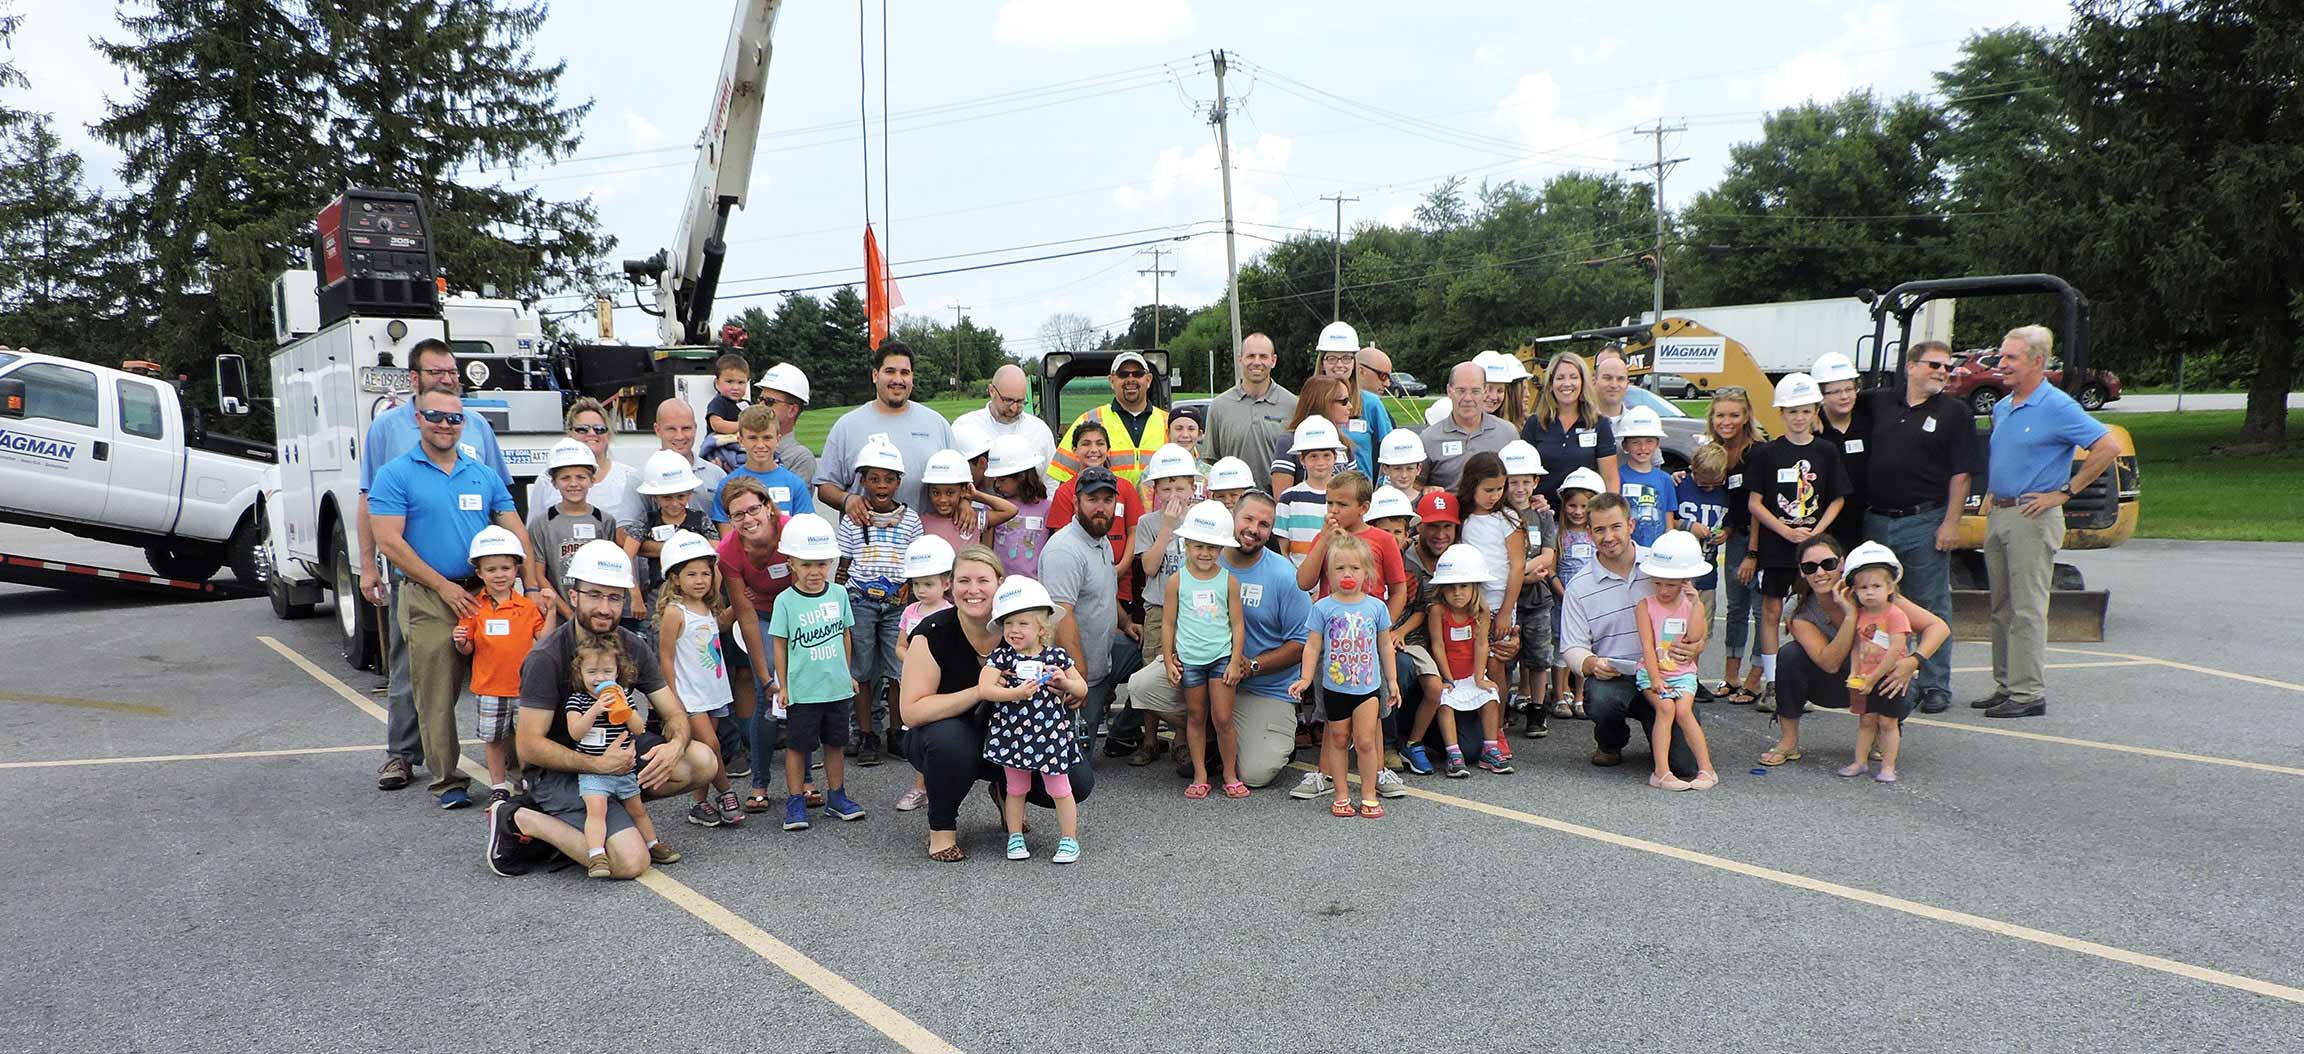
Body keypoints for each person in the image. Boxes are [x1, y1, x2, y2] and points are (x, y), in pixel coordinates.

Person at [485, 541, 727, 880]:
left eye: (614, 597)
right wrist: (596, 765)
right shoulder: (547, 657)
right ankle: (518, 818)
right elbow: (529, 748)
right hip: (558, 770)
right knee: (630, 863)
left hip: (615, 758)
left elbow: (673, 713)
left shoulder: (631, 644)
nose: (604, 607)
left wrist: (673, 747)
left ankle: (604, 815)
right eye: (595, 595)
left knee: (700, 760)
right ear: (574, 596)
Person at [359, 339, 519, 794]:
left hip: (485, 587)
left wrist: (529, 576)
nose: (447, 378)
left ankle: (513, 773)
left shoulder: (478, 436)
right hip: (425, 590)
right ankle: (416, 762)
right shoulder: (388, 436)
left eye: (452, 372)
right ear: (415, 383)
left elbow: (504, 511)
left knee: (505, 678)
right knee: (424, 681)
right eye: (436, 372)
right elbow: (372, 507)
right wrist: (367, 564)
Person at [900, 545, 1098, 862]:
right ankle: (941, 829)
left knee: (1077, 781)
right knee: (951, 742)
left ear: (1000, 584)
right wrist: (980, 691)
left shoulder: (1025, 625)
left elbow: (1067, 679)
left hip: (1016, 735)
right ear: (950, 584)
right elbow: (911, 711)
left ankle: (1005, 790)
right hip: (945, 738)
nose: (973, 590)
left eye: (983, 580)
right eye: (964, 580)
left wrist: (1068, 690)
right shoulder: (932, 633)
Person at [1121, 495, 1312, 790]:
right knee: (1141, 686)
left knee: (1257, 773)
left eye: (1264, 524)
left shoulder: (1284, 575)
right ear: (1232, 518)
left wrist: (1254, 665)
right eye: (1248, 519)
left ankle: (1249, 738)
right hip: (1201, 665)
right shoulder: (1203, 558)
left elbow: (1302, 642)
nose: (1254, 529)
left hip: (1261, 686)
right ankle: (1208, 733)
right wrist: (1170, 656)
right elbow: (1173, 618)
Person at [1975, 325, 2118, 719]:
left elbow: (2107, 447)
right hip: (2001, 512)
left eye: (2010, 358)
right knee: (2001, 605)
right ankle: (2006, 684)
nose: (2000, 364)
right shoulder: (2004, 406)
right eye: (2001, 356)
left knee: (2027, 607)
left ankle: (2028, 693)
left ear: (2037, 362)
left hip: (2032, 517)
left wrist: (2065, 492)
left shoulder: (2056, 406)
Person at [1855, 341, 1976, 715]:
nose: (1943, 371)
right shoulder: (1877, 403)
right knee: (1877, 604)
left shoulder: (1955, 413)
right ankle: (1880, 677)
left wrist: (1951, 523)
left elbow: (1962, 474)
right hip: (1876, 519)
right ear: (1910, 366)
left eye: (1947, 367)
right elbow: (1837, 411)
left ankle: (1935, 683)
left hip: (1924, 521)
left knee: (1930, 604)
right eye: (1934, 364)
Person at [1760, 537, 1950, 768]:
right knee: (1790, 654)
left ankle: (1882, 731)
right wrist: (1850, 615)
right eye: (1810, 567)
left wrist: (1914, 661)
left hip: (1881, 680)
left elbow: (1938, 627)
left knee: (1900, 678)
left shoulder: (1872, 593)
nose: (1820, 572)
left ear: (1841, 564)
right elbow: (1829, 663)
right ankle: (1788, 742)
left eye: (1828, 564)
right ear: (1802, 572)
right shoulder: (1799, 609)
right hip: (1834, 684)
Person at [1559, 494, 1703, 781]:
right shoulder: (1579, 586)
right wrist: (1590, 664)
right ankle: (1611, 742)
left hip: (1665, 674)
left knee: (1685, 767)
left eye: (1615, 527)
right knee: (1601, 699)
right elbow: (1572, 646)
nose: (1608, 536)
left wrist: (1697, 644)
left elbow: (1693, 624)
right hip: (1616, 677)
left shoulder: (1661, 565)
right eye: (1599, 530)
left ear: (1631, 525)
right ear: (1589, 533)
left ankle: (1660, 737)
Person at [1744, 373, 1850, 714]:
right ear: (1781, 414)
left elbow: (1837, 498)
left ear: (1815, 411)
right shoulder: (1767, 453)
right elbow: (1755, 503)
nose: (1799, 417)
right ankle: (1773, 682)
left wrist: (1816, 532)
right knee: (1772, 610)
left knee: (1816, 608)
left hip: (1815, 548)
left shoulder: (1826, 451)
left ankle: (1816, 679)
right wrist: (1786, 532)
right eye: (1791, 411)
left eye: (1805, 411)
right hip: (1779, 546)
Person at [977, 577, 1091, 863]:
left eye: (1022, 623)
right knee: (1015, 788)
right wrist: (1014, 691)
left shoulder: (1056, 656)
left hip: (1050, 735)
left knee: (1060, 788)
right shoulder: (1001, 657)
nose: (1014, 630)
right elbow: (985, 688)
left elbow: (1082, 688)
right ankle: (1015, 836)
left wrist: (1065, 682)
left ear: (1042, 628)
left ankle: (1069, 839)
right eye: (1008, 623)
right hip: (1012, 734)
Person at [1290, 534, 1399, 819]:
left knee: (1365, 741)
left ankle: (1368, 794)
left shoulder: (1376, 607)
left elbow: (1385, 645)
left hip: (1367, 688)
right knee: (1337, 739)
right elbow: (1313, 645)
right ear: (1329, 573)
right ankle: (1340, 794)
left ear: (1368, 572)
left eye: (1354, 568)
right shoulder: (1323, 607)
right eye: (1340, 568)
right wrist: (1305, 678)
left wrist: (1392, 681)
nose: (1347, 574)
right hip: (1335, 688)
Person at [771, 512, 869, 829]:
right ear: (792, 564)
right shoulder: (785, 601)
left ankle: (837, 797)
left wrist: (848, 672)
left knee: (835, 743)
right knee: (798, 746)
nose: (815, 571)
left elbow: (845, 634)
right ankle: (796, 800)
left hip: (836, 687)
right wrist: (783, 686)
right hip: (803, 689)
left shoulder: (839, 594)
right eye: (806, 564)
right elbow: (780, 645)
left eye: (821, 564)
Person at [712, 478, 800, 814]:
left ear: (767, 506)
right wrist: (764, 676)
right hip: (761, 615)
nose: (748, 519)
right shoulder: (728, 552)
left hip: (798, 610)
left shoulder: (790, 532)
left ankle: (804, 781)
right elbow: (745, 616)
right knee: (771, 698)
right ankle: (760, 783)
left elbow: (805, 590)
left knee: (801, 695)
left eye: (753, 509)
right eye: (737, 515)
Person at [833, 438, 921, 765]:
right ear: (863, 481)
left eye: (889, 479)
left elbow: (915, 561)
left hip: (896, 600)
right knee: (862, 667)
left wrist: (910, 587)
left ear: (898, 482)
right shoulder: (853, 519)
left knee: (897, 667)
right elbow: (844, 563)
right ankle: (867, 732)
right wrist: (838, 599)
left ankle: (897, 730)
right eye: (874, 479)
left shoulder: (910, 520)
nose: (881, 485)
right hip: (860, 599)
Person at [451, 526, 551, 805]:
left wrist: (551, 610)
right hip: (489, 687)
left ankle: (527, 781)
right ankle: (498, 785)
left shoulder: (527, 607)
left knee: (526, 740)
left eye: (505, 567)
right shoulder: (474, 607)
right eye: (491, 569)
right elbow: (468, 647)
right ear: (480, 573)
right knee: (493, 739)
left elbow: (544, 639)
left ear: (517, 570)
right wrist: (460, 642)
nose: (499, 575)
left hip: (524, 688)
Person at [653, 530, 745, 829]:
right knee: (713, 745)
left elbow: (716, 629)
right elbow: (665, 657)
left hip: (713, 691)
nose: (700, 580)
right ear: (675, 578)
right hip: (689, 696)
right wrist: (672, 700)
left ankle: (698, 804)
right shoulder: (674, 612)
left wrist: (741, 604)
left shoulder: (705, 607)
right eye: (691, 574)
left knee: (703, 754)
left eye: (706, 573)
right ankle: (727, 793)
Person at [1162, 499, 1249, 798]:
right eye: (1199, 546)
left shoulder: (1229, 581)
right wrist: (1168, 661)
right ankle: (1200, 773)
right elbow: (1168, 624)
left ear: (1222, 549)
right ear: (1186, 545)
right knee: (1196, 717)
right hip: (1190, 660)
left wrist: (1235, 660)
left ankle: (1229, 773)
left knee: (1223, 718)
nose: (1205, 553)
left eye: (1212, 547)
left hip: (1221, 658)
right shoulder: (1177, 581)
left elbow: (1237, 624)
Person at [564, 637, 669, 878]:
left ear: (617, 672)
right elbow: (575, 732)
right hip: (593, 772)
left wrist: (623, 708)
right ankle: (596, 854)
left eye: (607, 671)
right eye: (592, 671)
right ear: (580, 672)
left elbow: (638, 728)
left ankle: (653, 844)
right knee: (597, 811)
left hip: (624, 770)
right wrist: (596, 709)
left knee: (637, 810)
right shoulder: (578, 700)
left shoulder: (623, 696)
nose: (599, 678)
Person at [815, 341, 955, 516]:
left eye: (905, 373)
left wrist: (964, 504)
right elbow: (825, 486)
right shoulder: (847, 426)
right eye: (890, 371)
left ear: (912, 377)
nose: (898, 380)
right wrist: (846, 499)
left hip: (925, 538)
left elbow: (960, 481)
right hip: (868, 539)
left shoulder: (937, 424)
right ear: (875, 375)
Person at [1040, 467, 1125, 754]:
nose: (1101, 508)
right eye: (1092, 499)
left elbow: (1102, 590)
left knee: (1147, 654)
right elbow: (1060, 617)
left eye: (1107, 500)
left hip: (1106, 655)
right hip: (1079, 671)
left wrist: (1126, 623)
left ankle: (1124, 731)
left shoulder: (1101, 540)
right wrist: (1080, 677)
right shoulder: (1064, 550)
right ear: (1076, 503)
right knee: (1076, 770)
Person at [1632, 531, 1720, 791]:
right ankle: (1661, 772)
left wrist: (1695, 606)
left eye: (1670, 585)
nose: (1663, 590)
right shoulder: (1645, 605)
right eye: (1658, 583)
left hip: (1682, 673)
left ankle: (1707, 769)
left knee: (1683, 710)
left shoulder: (1693, 606)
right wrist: (1656, 679)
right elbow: (1647, 645)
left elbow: (1695, 638)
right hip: (1652, 671)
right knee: (1666, 708)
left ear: (1685, 581)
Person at [1701, 387, 1768, 706]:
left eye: (1733, 415)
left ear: (1746, 418)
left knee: (1759, 608)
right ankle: (1730, 678)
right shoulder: (1713, 451)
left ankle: (1755, 679)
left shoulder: (1757, 453)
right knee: (1736, 608)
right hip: (1732, 537)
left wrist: (1753, 554)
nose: (1726, 421)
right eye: (1720, 415)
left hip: (1756, 540)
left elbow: (1756, 506)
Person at [528, 437, 634, 625]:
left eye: (581, 477)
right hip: (559, 617)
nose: (573, 484)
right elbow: (539, 575)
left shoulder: (605, 521)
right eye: (565, 478)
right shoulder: (542, 523)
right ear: (554, 482)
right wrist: (568, 613)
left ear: (592, 480)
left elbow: (608, 573)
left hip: (598, 617)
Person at [1425, 544, 1507, 777]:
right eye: (1451, 587)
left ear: (1475, 588)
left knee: (1491, 695)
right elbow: (1437, 645)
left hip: (1471, 674)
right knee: (1445, 701)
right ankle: (1454, 753)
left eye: (1464, 586)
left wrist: (1480, 677)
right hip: (1449, 674)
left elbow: (1481, 644)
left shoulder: (1481, 611)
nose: (1458, 592)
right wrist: (1447, 677)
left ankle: (1490, 748)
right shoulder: (1438, 610)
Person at [1395, 491, 1460, 777]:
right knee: (1401, 669)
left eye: (1447, 526)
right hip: (1412, 644)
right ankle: (1393, 741)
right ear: (1418, 527)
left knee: (1467, 749)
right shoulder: (1401, 558)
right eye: (1433, 525)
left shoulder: (1460, 558)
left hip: (1448, 645)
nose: (1440, 534)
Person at [1840, 545, 1915, 782]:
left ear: (1890, 588)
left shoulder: (1895, 615)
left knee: (1888, 722)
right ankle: (1859, 762)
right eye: (1863, 587)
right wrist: (1855, 671)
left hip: (1889, 678)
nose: (1869, 593)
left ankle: (1888, 766)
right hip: (1866, 677)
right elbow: (1856, 646)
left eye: (1876, 586)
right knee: (1866, 720)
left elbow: (1895, 650)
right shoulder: (1861, 614)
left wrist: (1874, 678)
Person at [526, 398, 645, 546]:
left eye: (599, 429)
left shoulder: (631, 478)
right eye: (582, 429)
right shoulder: (546, 478)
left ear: (608, 435)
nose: (591, 434)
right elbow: (532, 537)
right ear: (569, 434)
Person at [893, 535, 956, 812]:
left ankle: (935, 786)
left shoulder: (952, 612)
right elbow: (899, 646)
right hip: (915, 683)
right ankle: (921, 787)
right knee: (919, 733)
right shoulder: (910, 611)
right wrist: (915, 663)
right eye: (916, 583)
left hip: (943, 684)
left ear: (946, 583)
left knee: (940, 734)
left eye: (928, 583)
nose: (921, 589)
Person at [1500, 441, 1557, 735]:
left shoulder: (1543, 514)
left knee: (1538, 659)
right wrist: (1522, 577)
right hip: (1507, 602)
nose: (1520, 488)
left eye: (1526, 481)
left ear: (1536, 482)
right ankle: (1504, 704)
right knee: (1505, 657)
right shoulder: (1498, 515)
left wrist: (1519, 574)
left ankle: (1537, 708)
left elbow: (1548, 555)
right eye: (1513, 481)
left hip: (1538, 601)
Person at [1050, 350, 1167, 488]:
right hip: (1106, 507)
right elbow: (1065, 479)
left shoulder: (1169, 423)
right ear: (1112, 381)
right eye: (1123, 374)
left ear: (1148, 380)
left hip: (1160, 509)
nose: (1131, 379)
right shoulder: (1088, 421)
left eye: (1138, 374)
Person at [1520, 351, 1620, 507]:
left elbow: (1610, 478)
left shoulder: (1599, 424)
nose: (1567, 383)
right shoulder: (1535, 423)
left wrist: (1611, 514)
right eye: (1560, 378)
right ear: (1551, 385)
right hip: (1541, 514)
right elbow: (1522, 475)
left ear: (1583, 383)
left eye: (1573, 377)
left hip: (1584, 517)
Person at [1204, 332, 1294, 493]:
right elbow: (1210, 463)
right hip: (1232, 506)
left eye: (1263, 356)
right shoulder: (1219, 406)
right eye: (1251, 356)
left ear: (1273, 361)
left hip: (1277, 507)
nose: (1257, 362)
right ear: (1240, 360)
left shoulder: (1292, 405)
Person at [1548, 467, 1605, 720]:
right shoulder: (1558, 533)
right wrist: (1564, 594)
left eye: (1584, 506)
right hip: (1563, 600)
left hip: (1591, 602)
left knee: (1586, 647)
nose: (1578, 512)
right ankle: (1560, 695)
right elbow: (1551, 569)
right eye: (1572, 505)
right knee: (1561, 647)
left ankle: (1580, 696)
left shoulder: (1597, 535)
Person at [953, 363, 1058, 486]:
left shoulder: (1040, 430)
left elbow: (1051, 481)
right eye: (1008, 400)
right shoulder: (964, 426)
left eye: (1020, 401)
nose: (1014, 408)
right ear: (992, 391)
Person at [1312, 322, 1394, 475]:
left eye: (1346, 358)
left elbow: (1391, 453)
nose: (1339, 364)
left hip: (1361, 495)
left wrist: (1381, 489)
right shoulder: (1310, 402)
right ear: (1322, 363)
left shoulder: (1371, 404)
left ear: (1354, 363)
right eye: (1332, 358)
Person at [1422, 362, 1518, 490]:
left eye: (1475, 391)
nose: (1468, 398)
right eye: (1461, 391)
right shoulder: (1428, 439)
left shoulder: (1508, 433)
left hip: (1495, 509)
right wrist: (1425, 490)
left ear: (1485, 392)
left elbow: (1520, 481)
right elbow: (1415, 486)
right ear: (1449, 391)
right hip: (1448, 508)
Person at [1810, 351, 1870, 554]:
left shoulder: (1870, 422)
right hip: (1825, 523)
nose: (1844, 396)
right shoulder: (1812, 431)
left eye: (1849, 389)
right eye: (1835, 392)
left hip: (1865, 522)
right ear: (1820, 396)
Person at [714, 404, 816, 521]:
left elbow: (806, 529)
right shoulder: (727, 485)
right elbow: (726, 535)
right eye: (753, 438)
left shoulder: (794, 484)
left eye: (767, 438)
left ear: (778, 440)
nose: (760, 445)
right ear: (741, 440)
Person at [1276, 417, 1347, 564]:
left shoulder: (1346, 497)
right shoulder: (1289, 498)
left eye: (1326, 456)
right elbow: (1283, 549)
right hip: (1298, 577)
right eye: (1313, 456)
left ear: (1335, 457)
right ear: (1302, 460)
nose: (1320, 463)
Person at [1268, 376, 1358, 491]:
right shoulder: (1289, 441)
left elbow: (1354, 489)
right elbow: (1282, 497)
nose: (1350, 406)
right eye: (1344, 401)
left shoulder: (1343, 442)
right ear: (1323, 402)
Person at [917, 449, 1016, 552]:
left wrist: (975, 495)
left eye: (950, 493)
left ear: (964, 490)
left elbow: (1010, 510)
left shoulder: (971, 519)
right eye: (936, 493)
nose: (943, 499)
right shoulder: (921, 522)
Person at [986, 436, 1054, 579]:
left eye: (1002, 480)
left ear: (1022, 476)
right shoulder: (994, 507)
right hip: (1000, 583)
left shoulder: (1047, 508)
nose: (997, 485)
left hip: (1034, 586)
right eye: (995, 480)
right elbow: (987, 549)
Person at [649, 399, 727, 519]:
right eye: (671, 429)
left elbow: (728, 526)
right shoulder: (641, 478)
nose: (679, 436)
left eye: (686, 428)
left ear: (695, 428)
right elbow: (627, 531)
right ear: (658, 430)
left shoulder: (717, 475)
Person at [1614, 406, 1679, 547]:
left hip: (1656, 550)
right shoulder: (1617, 477)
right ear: (1625, 446)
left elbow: (1669, 521)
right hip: (1627, 549)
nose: (1643, 448)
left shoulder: (1665, 480)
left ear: (1657, 444)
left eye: (1649, 441)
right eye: (1636, 442)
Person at [754, 361, 818, 482]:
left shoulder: (800, 458)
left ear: (792, 410)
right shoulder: (745, 447)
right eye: (760, 399)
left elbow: (791, 500)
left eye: (769, 401)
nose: (761, 406)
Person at [700, 352, 752, 463]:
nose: (735, 387)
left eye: (741, 382)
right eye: (729, 382)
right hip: (720, 450)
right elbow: (717, 425)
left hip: (741, 447)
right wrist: (744, 425)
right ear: (717, 383)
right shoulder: (718, 402)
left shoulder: (747, 405)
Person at [1377, 428, 1428, 495]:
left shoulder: (1426, 502)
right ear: (1385, 469)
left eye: (1409, 468)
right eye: (1397, 468)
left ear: (1419, 468)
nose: (1404, 475)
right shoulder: (1375, 502)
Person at [1592, 347, 1632, 428]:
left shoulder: (1637, 423)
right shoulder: (1578, 421)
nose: (1614, 385)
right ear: (1594, 380)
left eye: (1620, 378)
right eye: (1607, 377)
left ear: (1627, 384)